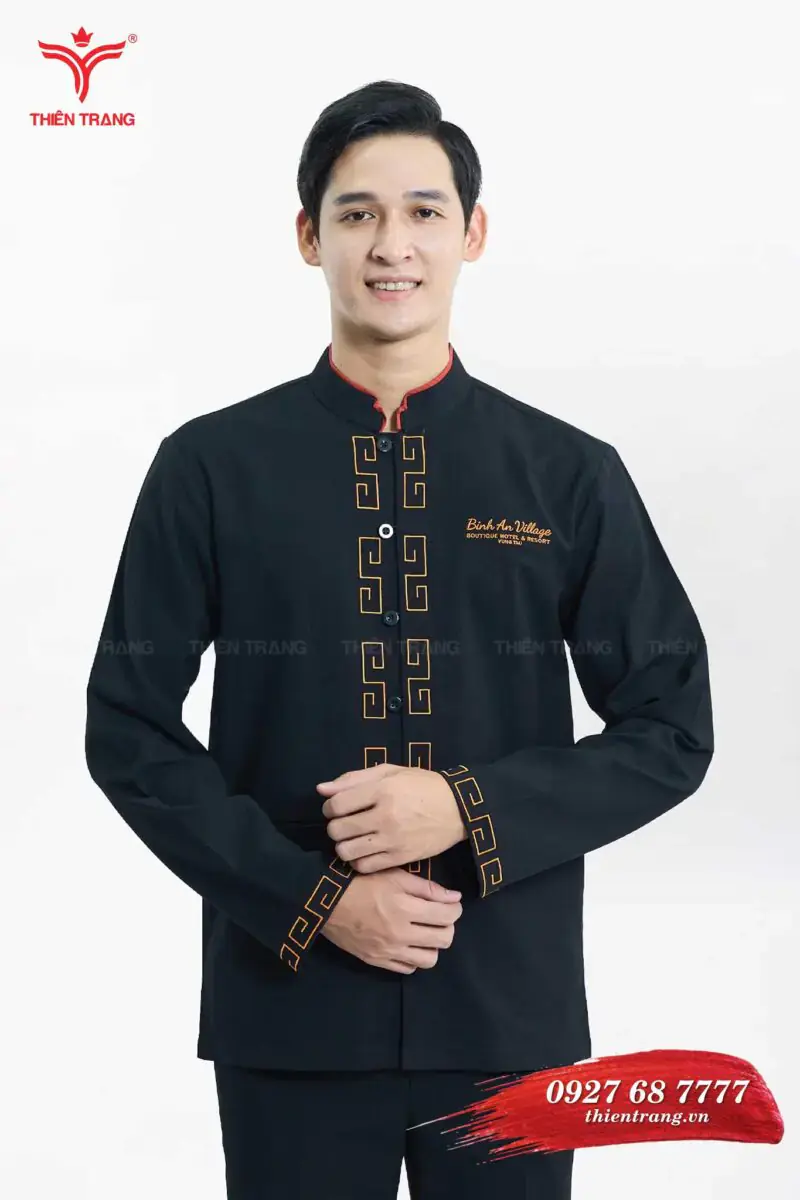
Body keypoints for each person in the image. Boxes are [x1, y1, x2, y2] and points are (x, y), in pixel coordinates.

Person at [84, 79, 714, 1199]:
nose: (392, 244)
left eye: (424, 211)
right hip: (288, 1008)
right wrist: (309, 898)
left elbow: (671, 728)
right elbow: (126, 727)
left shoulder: (567, 473)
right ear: (308, 236)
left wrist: (467, 808)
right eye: (357, 213)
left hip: (506, 1009)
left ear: (472, 233)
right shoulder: (211, 468)